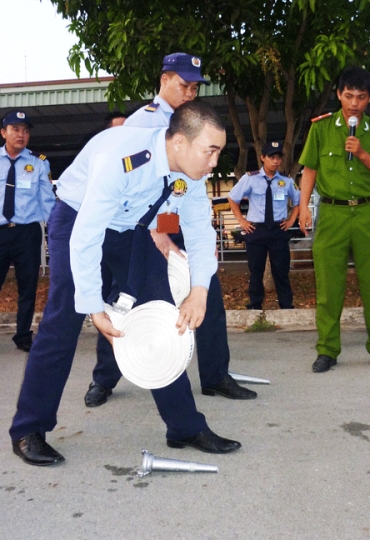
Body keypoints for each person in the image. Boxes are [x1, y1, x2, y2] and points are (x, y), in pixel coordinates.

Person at [10, 101, 242, 467]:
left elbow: (196, 228)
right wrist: (93, 305)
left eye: (218, 152)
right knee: (63, 320)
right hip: (76, 218)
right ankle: (28, 429)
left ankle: (184, 427)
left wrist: (199, 290)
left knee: (161, 316)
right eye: (209, 151)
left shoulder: (190, 174)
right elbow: (86, 234)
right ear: (179, 142)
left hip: (129, 229)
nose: (215, 162)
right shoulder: (126, 158)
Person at [84, 52, 256, 410]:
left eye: (195, 86)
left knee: (205, 292)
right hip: (143, 230)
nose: (190, 92)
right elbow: (135, 188)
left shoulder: (198, 123)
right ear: (164, 80)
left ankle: (214, 375)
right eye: (183, 85)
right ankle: (105, 377)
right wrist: (156, 233)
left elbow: (192, 186)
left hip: (182, 223)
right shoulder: (143, 123)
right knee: (125, 297)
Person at [298, 66, 370, 373]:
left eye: (361, 97)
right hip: (331, 213)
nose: (354, 103)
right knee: (328, 285)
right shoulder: (321, 128)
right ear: (339, 94)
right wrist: (303, 207)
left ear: (369, 99)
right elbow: (310, 170)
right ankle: (327, 350)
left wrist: (363, 154)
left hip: (367, 214)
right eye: (349, 95)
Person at [0, 111, 56, 352]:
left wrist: (54, 234)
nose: (21, 135)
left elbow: (48, 202)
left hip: (27, 234)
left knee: (28, 286)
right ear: (3, 133)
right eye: (15, 129)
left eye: (25, 130)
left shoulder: (39, 162)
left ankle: (23, 336)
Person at [228, 141, 300, 310]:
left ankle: (286, 305)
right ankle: (255, 305)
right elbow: (232, 198)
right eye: (271, 157)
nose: (276, 161)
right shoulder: (250, 178)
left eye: (278, 157)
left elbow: (298, 201)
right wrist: (241, 220)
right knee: (256, 271)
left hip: (278, 229)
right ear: (262, 158)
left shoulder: (286, 181)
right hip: (256, 230)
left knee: (281, 271)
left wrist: (291, 220)